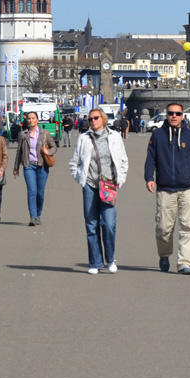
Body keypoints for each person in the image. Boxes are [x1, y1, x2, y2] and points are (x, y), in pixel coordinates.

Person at [145, 102, 190, 275]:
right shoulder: (157, 135)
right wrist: (149, 177)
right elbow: (151, 159)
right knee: (164, 228)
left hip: (187, 187)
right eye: (171, 113)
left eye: (177, 114)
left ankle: (184, 263)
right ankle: (164, 255)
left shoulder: (189, 136)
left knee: (188, 226)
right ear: (167, 115)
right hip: (165, 189)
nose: (174, 116)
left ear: (182, 116)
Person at [68, 109, 129, 274]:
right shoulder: (84, 138)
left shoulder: (114, 136)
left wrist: (120, 180)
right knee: (92, 224)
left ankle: (110, 259)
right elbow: (74, 162)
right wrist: (80, 178)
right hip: (90, 185)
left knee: (109, 224)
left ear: (102, 119)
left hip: (109, 185)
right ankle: (95, 262)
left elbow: (123, 160)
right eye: (90, 119)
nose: (92, 121)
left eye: (95, 118)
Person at [14, 114, 58, 226]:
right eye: (29, 118)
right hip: (29, 166)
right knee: (32, 191)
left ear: (37, 120)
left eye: (33, 118)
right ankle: (32, 217)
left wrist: (48, 152)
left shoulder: (45, 133)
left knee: (40, 193)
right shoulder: (23, 134)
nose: (31, 120)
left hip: (42, 166)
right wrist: (16, 167)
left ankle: (38, 214)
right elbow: (19, 151)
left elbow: (54, 146)